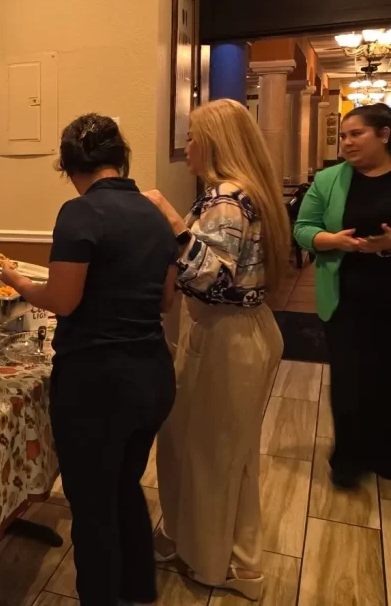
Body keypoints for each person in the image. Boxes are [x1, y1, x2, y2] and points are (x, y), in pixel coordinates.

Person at [0, 114, 177, 606]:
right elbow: (165, 301)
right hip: (153, 376)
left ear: (71, 166)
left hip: (98, 385)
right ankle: (140, 590)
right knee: (124, 486)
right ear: (121, 159)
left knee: (93, 506)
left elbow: (63, 300)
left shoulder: (80, 214)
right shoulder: (156, 212)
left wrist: (16, 281)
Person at [143, 98, 289, 600]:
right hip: (243, 329)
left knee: (210, 453)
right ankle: (225, 554)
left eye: (192, 137)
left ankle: (214, 564)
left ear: (213, 143)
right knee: (223, 450)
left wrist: (166, 214)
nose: (187, 147)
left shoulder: (226, 198)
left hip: (226, 334)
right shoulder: (249, 193)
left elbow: (209, 273)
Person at [293, 103, 391, 488]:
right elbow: (302, 227)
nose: (347, 142)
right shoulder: (330, 179)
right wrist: (331, 240)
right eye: (344, 135)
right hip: (346, 296)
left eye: (357, 134)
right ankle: (349, 458)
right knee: (350, 380)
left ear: (384, 135)